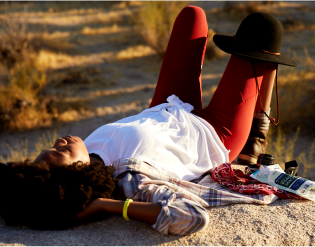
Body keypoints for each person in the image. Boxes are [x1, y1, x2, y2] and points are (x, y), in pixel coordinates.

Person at [0, 6, 296, 235]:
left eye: (49, 148)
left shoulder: (90, 151)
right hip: (215, 133)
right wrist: (106, 205)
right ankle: (256, 135)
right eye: (59, 154)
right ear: (76, 178)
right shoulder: (130, 180)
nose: (59, 142)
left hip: (169, 105)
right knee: (263, 30)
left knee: (192, 16)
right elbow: (192, 217)